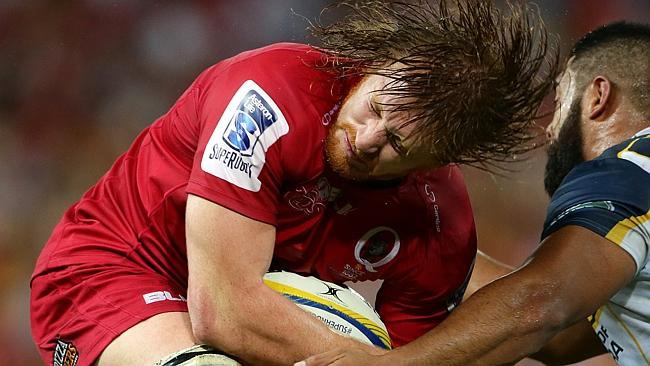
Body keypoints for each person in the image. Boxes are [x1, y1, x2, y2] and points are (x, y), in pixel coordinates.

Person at [29, 1, 556, 365]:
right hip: (112, 271)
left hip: (255, 309)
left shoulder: (440, 225)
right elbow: (225, 313)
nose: (367, 138)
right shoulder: (266, 99)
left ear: (441, 160)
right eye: (373, 107)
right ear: (375, 65)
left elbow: (404, 357)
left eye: (397, 143)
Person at [298, 21, 650, 366]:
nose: (549, 131)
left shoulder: (628, 167)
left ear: (597, 96)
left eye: (559, 99)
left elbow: (540, 302)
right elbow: (559, 340)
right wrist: (434, 240)